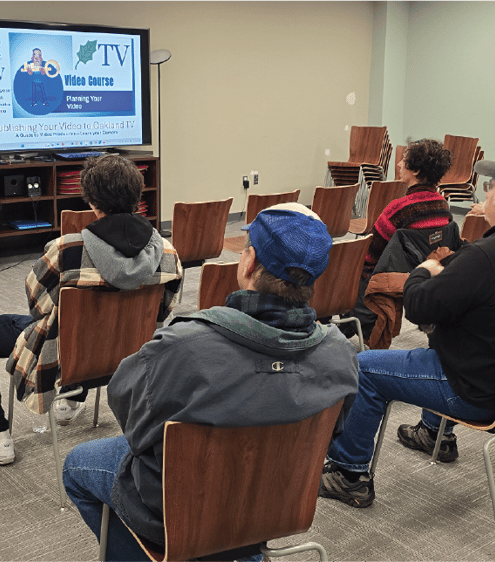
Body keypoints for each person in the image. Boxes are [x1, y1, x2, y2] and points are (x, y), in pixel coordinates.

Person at [63, 203, 360, 561]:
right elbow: (332, 434)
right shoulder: (342, 354)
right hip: (275, 507)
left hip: (182, 511)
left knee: (76, 465)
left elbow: (129, 415)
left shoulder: (182, 346)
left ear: (248, 263)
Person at [0, 154, 182, 466]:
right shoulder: (168, 252)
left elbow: (38, 306)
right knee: (90, 323)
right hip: (130, 354)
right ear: (137, 196)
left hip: (65, 356)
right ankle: (71, 401)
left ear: (91, 201)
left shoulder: (66, 249)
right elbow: (165, 309)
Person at [319, 178, 495, 509]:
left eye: (491, 187)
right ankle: (435, 433)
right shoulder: (467, 242)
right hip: (483, 374)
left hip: (474, 390)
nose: (486, 193)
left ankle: (348, 474)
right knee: (453, 334)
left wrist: (422, 272)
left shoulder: (482, 258)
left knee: (364, 367)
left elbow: (419, 308)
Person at [344, 138, 454, 341]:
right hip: (423, 273)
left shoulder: (399, 208)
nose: (399, 164)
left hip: (389, 279)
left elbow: (372, 254)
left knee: (343, 264)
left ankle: (344, 326)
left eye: (404, 160)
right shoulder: (443, 205)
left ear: (416, 171)